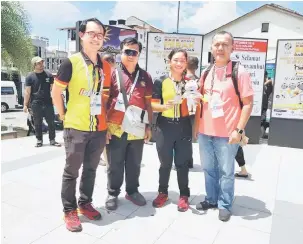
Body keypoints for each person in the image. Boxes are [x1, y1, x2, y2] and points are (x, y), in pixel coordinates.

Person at [51, 18, 112, 232]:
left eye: (100, 35)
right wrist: (63, 116)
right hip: (76, 127)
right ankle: (69, 210)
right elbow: (56, 92)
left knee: (91, 169)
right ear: (82, 35)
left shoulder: (106, 66)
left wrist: (105, 127)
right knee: (72, 171)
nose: (96, 38)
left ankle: (85, 203)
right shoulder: (71, 62)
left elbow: (104, 98)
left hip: (98, 128)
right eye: (92, 33)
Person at [194, 31, 254, 221]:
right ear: (211, 48)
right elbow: (201, 101)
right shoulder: (206, 71)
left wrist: (239, 130)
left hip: (227, 134)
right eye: (217, 44)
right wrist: (196, 127)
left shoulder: (239, 72)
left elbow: (248, 104)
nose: (220, 48)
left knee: (227, 172)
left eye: (225, 45)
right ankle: (211, 199)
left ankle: (225, 204)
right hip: (205, 132)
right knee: (208, 169)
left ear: (232, 48)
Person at [105, 37, 153, 211]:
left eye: (135, 52)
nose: (131, 55)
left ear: (139, 54)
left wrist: (149, 126)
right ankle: (112, 192)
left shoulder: (146, 77)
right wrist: (103, 127)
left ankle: (132, 191)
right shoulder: (111, 73)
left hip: (137, 127)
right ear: (120, 52)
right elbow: (103, 101)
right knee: (114, 163)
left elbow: (148, 104)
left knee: (134, 162)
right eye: (127, 51)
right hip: (115, 126)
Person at [151, 48, 198, 212]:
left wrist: (197, 99)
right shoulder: (160, 81)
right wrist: (164, 106)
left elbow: (198, 102)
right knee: (165, 163)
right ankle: (162, 192)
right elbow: (153, 104)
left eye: (182, 60)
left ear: (186, 63)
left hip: (184, 125)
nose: (179, 63)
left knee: (182, 163)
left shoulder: (190, 82)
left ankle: (184, 195)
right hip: (164, 125)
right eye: (176, 60)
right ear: (169, 61)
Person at [23, 57, 61, 147]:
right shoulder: (30, 77)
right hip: (36, 103)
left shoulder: (49, 75)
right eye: (39, 63)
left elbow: (53, 89)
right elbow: (27, 92)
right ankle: (39, 140)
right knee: (37, 122)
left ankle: (52, 140)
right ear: (34, 65)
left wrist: (56, 100)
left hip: (48, 102)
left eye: (42, 63)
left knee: (51, 122)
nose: (41, 65)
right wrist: (25, 105)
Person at [99, 53, 116, 166]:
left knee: (108, 139)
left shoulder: (118, 76)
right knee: (105, 139)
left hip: (113, 113)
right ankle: (107, 162)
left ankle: (109, 161)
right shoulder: (100, 75)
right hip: (102, 112)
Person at [185, 56, 200, 168]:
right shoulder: (199, 80)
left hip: (183, 111)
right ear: (197, 67)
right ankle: (189, 160)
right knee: (189, 137)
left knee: (182, 137)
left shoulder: (182, 79)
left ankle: (184, 160)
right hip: (195, 111)